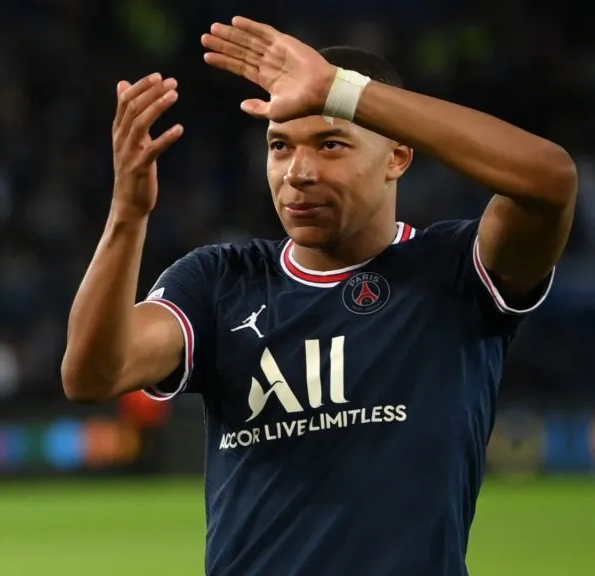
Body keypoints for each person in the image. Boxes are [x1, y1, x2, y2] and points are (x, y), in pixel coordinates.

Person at [61, 16, 576, 576]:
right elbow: (91, 376)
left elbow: (550, 181)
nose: (298, 172)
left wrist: (343, 91)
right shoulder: (219, 281)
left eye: (331, 144)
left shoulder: (457, 271)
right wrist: (127, 216)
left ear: (398, 158)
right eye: (279, 146)